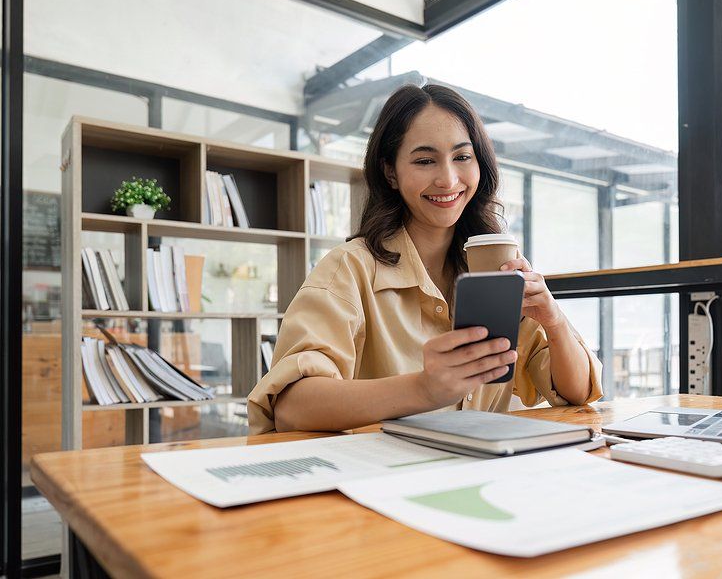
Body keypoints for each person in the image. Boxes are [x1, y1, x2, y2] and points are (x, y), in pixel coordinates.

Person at [248, 84, 603, 434]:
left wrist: (553, 320)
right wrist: (424, 388)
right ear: (391, 172)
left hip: (479, 473)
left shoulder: (497, 267)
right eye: (424, 160)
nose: (448, 179)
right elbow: (292, 407)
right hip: (378, 480)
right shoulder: (350, 268)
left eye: (462, 157)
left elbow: (577, 392)